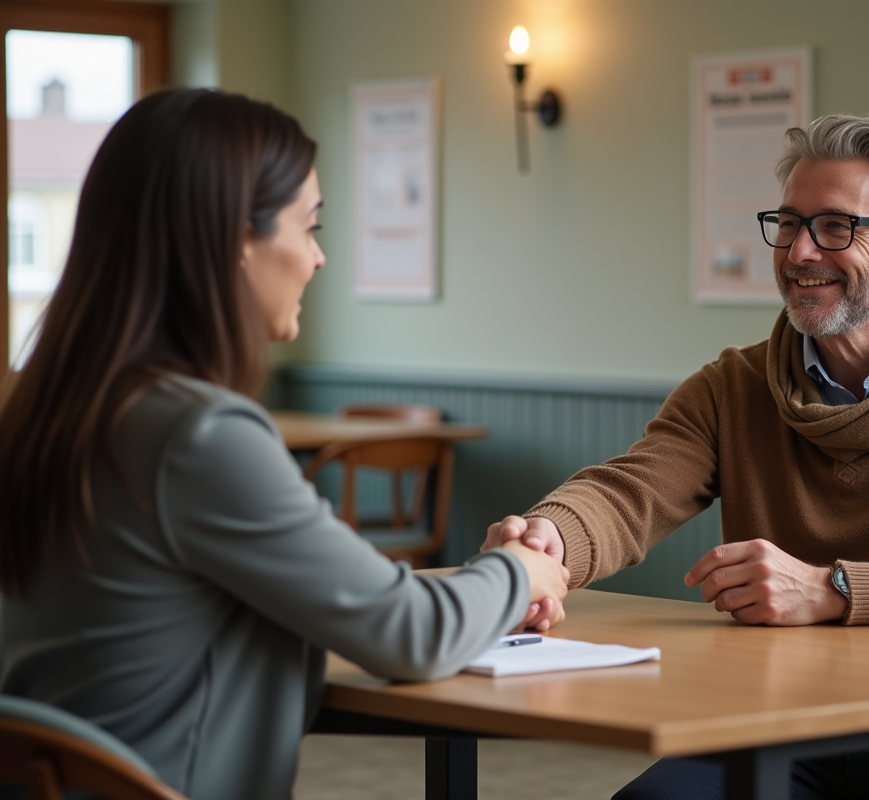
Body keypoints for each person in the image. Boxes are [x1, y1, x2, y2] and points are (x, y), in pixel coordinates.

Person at [0, 87, 568, 800]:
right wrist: (519, 572)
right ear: (237, 240)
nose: (318, 258)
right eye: (309, 226)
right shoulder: (197, 435)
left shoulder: (50, 414)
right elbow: (408, 631)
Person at [484, 113, 869, 799]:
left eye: (834, 227)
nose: (798, 253)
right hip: (782, 722)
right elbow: (630, 491)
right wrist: (546, 538)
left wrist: (832, 589)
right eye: (788, 224)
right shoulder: (734, 385)